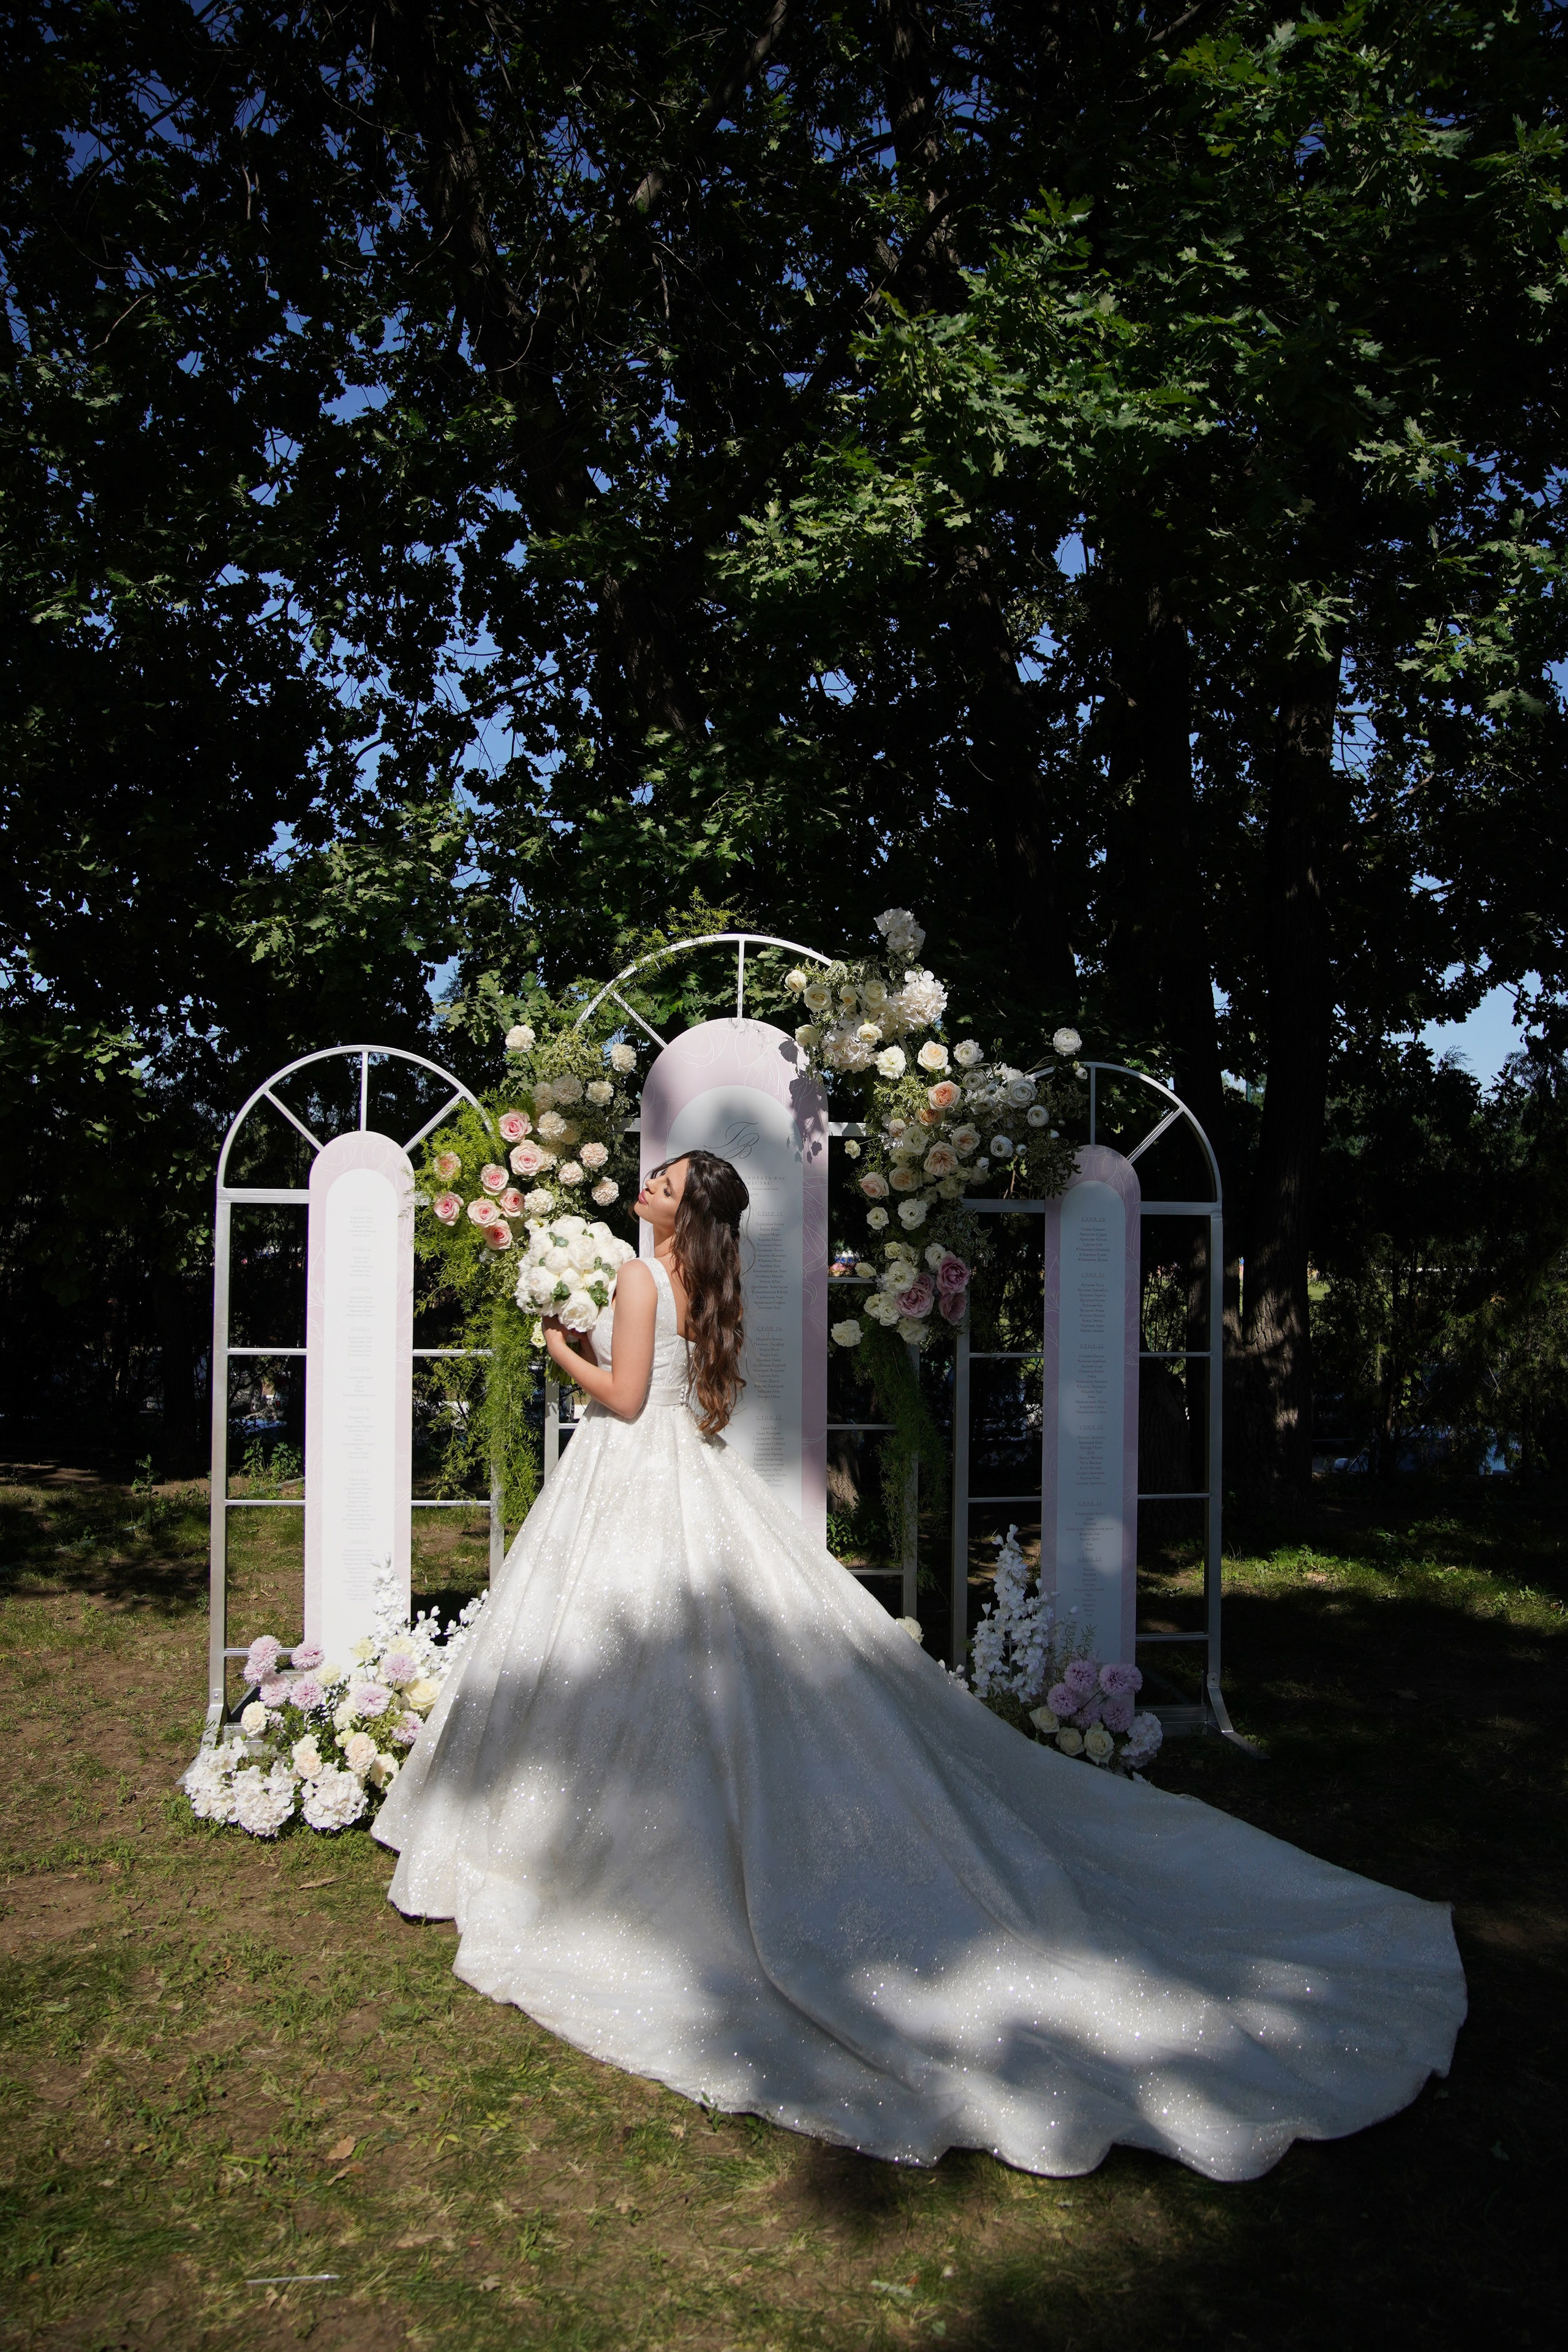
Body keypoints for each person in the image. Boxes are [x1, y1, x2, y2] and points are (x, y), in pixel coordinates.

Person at [375, 1150, 1465, 2182]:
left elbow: (617, 1400)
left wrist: (555, 1344)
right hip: (681, 1472)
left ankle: (555, 1840)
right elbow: (683, 1395)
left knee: (592, 1640)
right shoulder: (705, 1286)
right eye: (651, 1179)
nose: (643, 1188)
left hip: (626, 1470)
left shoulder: (631, 1277)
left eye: (658, 1183)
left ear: (682, 1212)